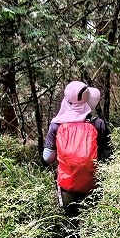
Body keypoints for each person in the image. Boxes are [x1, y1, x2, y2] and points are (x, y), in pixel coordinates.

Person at [43, 81, 110, 218]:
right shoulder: (98, 124)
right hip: (93, 183)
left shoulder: (56, 125)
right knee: (92, 220)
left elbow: (47, 158)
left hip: (67, 185)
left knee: (71, 221)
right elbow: (108, 156)